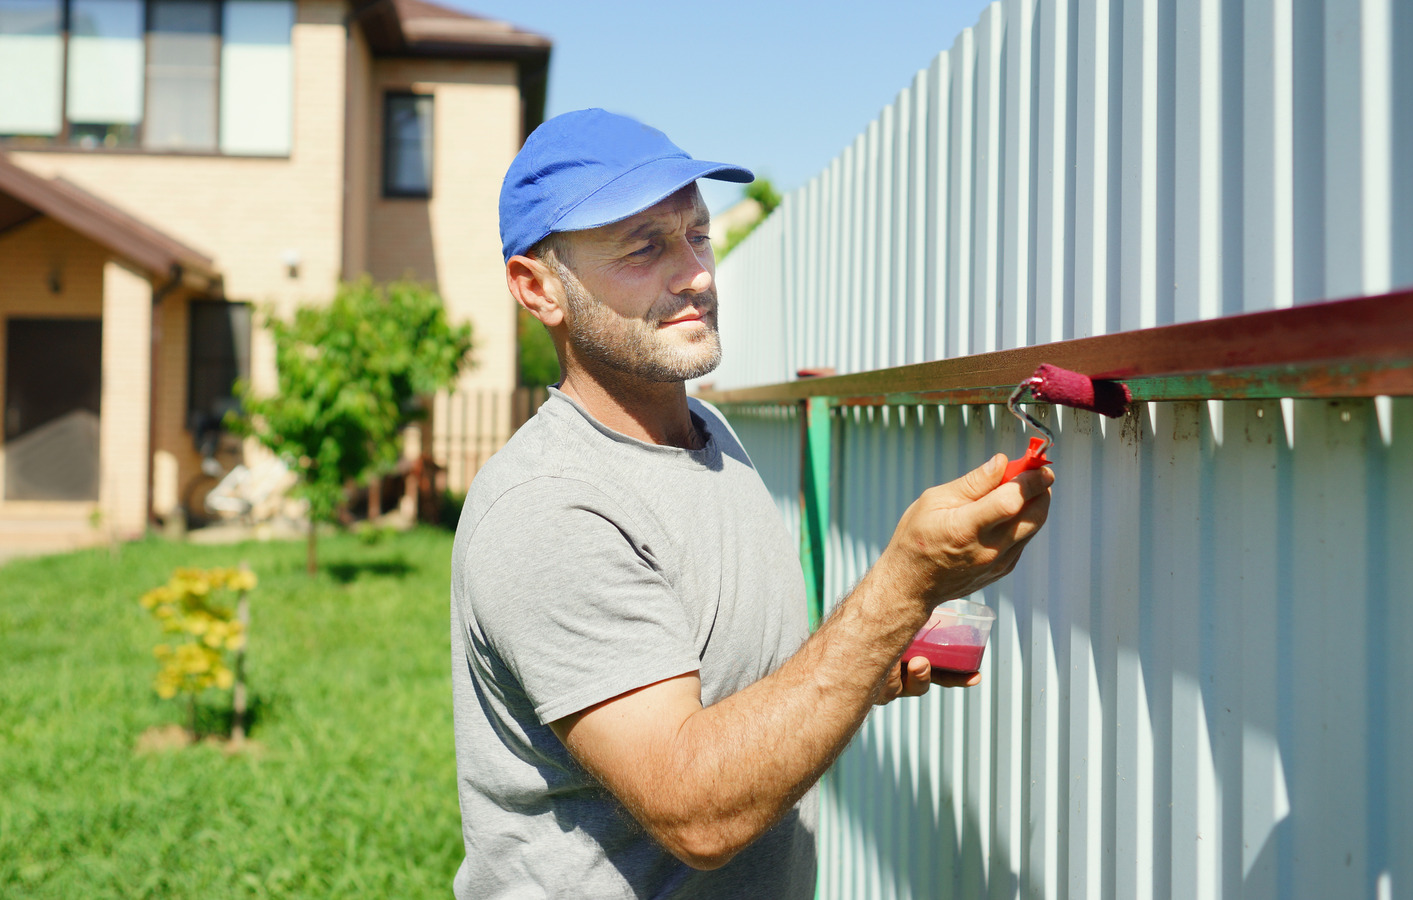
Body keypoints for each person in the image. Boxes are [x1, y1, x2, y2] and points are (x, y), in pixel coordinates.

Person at [450, 108, 1052, 899]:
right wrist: (903, 587)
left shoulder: (706, 432)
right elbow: (696, 809)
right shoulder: (549, 511)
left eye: (696, 234)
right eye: (645, 246)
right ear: (538, 290)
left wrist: (868, 663)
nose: (695, 270)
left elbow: (726, 696)